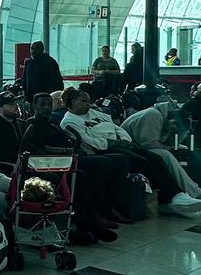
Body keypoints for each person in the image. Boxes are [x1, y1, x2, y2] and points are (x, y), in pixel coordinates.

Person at [61, 88, 201, 217]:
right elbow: (88, 141)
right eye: (83, 101)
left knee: (154, 158)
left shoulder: (95, 113)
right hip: (107, 148)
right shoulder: (69, 122)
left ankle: (177, 195)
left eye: (88, 101)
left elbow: (117, 128)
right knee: (142, 161)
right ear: (72, 102)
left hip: (123, 143)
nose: (88, 104)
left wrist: (124, 140)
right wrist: (114, 142)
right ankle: (173, 196)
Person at [19, 93, 124, 241]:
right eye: (42, 104)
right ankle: (90, 221)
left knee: (106, 163)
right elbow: (36, 149)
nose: (47, 108)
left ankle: (100, 211)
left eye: (49, 104)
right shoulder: (32, 125)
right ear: (34, 106)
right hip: (46, 166)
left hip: (64, 160)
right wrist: (61, 152)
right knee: (82, 176)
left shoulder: (52, 124)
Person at [122, 99, 201, 208]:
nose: (175, 129)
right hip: (133, 147)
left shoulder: (167, 118)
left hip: (143, 146)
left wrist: (181, 132)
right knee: (167, 155)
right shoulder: (153, 115)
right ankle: (200, 194)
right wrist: (170, 145)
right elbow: (149, 143)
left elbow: (169, 142)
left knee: (185, 151)